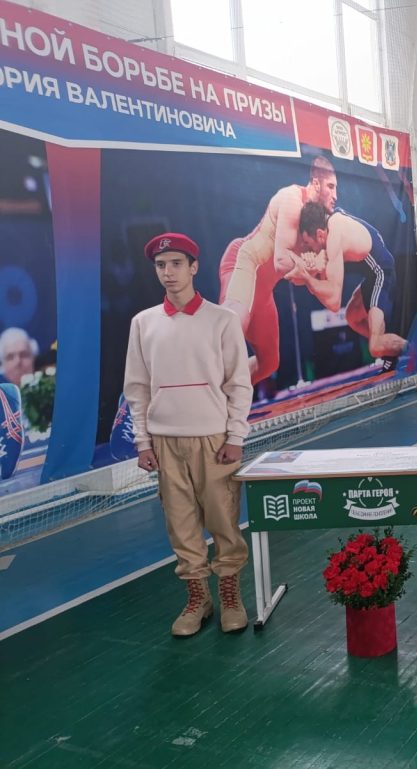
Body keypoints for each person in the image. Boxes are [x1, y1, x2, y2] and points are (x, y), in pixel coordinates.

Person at [124, 233, 254, 637]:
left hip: (214, 441)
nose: (169, 272)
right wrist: (143, 442)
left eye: (177, 264)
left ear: (194, 267)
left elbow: (239, 383)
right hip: (165, 444)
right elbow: (137, 388)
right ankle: (199, 599)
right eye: (161, 265)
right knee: (180, 526)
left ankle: (230, 597)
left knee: (223, 521)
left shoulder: (222, 320)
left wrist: (235, 436)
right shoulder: (143, 323)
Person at [218, 156, 340, 384]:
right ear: (316, 184)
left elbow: (300, 277)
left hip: (264, 288)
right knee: (231, 331)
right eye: (331, 187)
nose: (335, 195)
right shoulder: (292, 199)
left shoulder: (320, 221)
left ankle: (223, 390)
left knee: (269, 363)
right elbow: (282, 262)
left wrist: (313, 267)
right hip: (245, 263)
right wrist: (311, 266)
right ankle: (191, 380)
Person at [293, 202, 407, 362]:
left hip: (382, 273)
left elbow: (333, 302)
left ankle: (415, 350)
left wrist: (308, 278)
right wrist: (311, 273)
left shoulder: (334, 237)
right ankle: (388, 346)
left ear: (319, 235)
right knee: (352, 317)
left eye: (308, 244)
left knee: (375, 347)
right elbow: (321, 287)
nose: (309, 249)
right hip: (372, 274)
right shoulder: (329, 227)